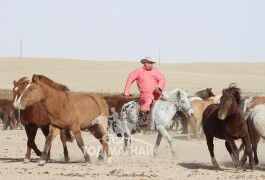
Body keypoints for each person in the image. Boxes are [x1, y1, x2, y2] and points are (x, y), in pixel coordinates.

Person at [123, 57, 165, 127]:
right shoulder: (138, 72)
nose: (150, 65)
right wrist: (126, 93)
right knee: (148, 101)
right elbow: (130, 80)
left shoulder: (155, 71)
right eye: (148, 63)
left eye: (151, 63)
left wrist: (159, 87)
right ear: (144, 63)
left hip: (157, 93)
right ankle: (143, 118)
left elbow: (162, 79)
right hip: (146, 94)